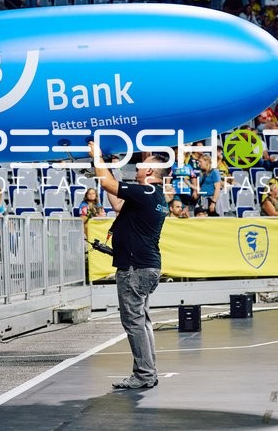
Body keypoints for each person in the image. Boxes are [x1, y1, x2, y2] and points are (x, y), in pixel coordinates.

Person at [88, 141, 167, 390]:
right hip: (146, 267)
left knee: (134, 322)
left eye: (142, 166)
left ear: (151, 173)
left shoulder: (144, 193)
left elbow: (108, 184)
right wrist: (109, 166)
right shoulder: (153, 197)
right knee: (141, 321)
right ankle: (148, 371)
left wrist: (97, 158)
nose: (138, 167)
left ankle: (144, 375)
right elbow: (117, 204)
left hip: (135, 268)